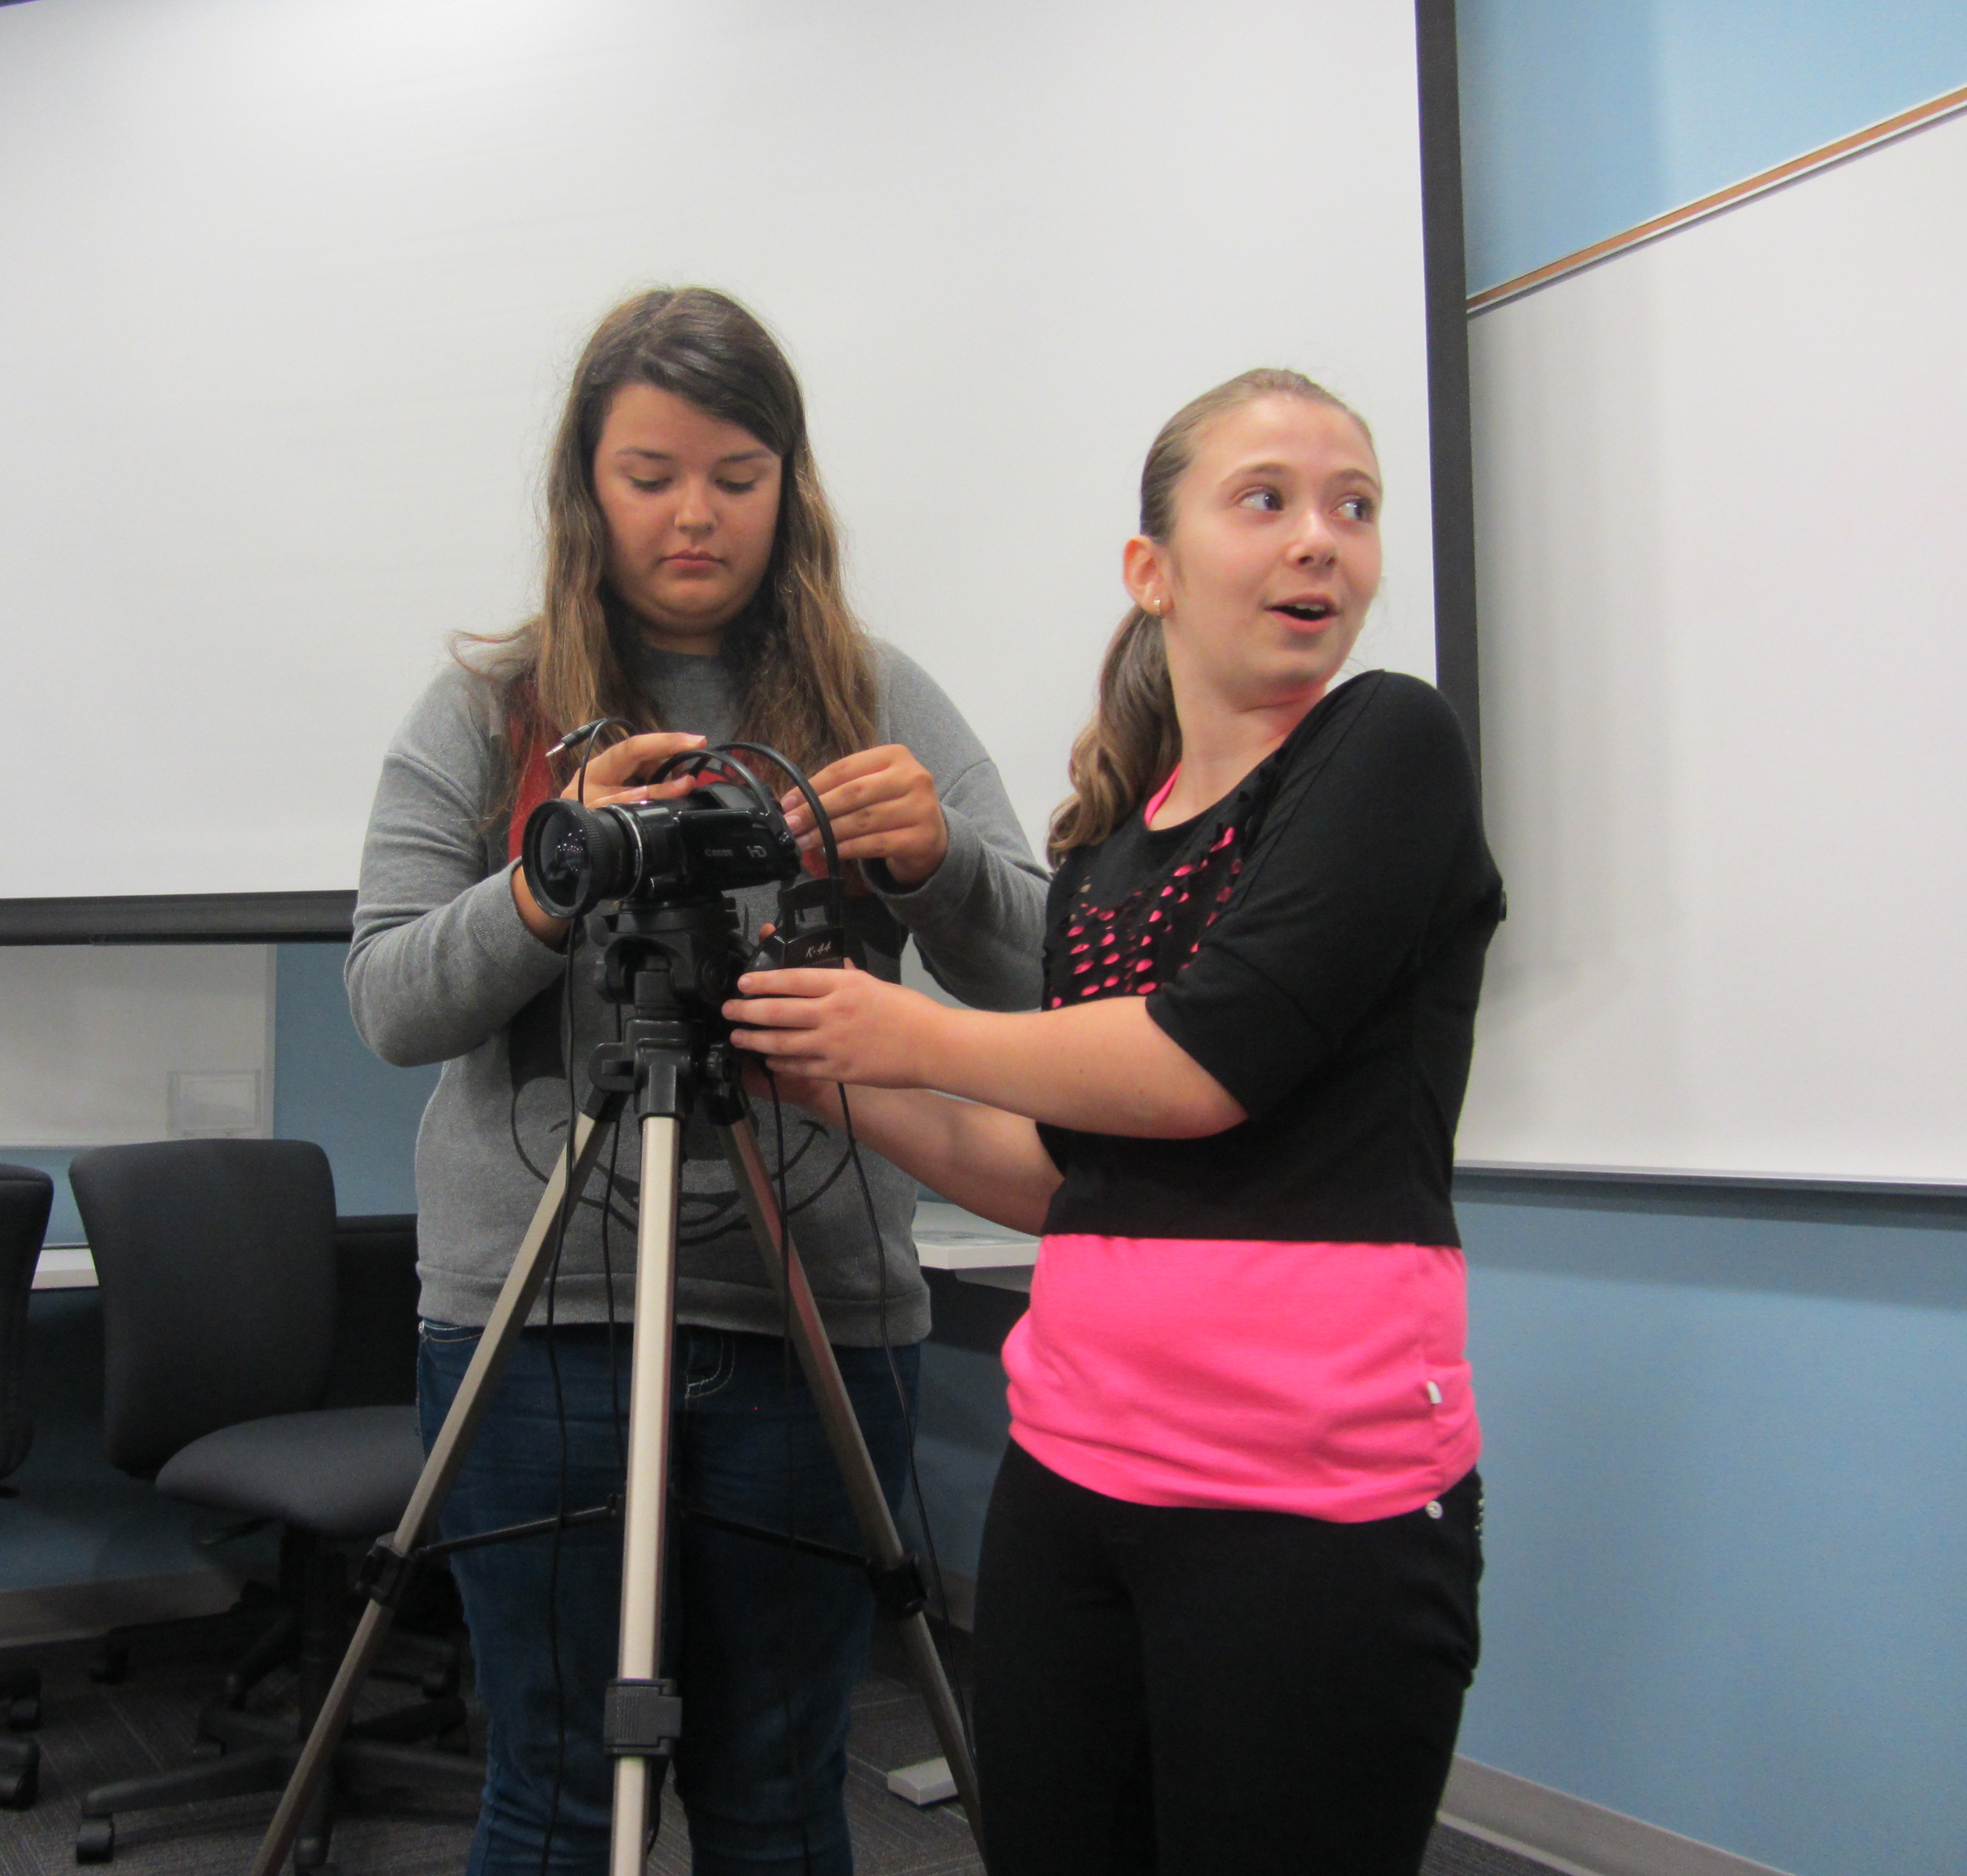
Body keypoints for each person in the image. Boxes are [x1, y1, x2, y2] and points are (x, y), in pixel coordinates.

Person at [725, 368, 1504, 1875]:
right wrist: (834, 1079)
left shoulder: (1386, 745)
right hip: (1072, 1478)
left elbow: (1204, 1062)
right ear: (1151, 571)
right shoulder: (1103, 853)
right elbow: (1058, 1181)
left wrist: (910, 1030)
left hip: (1308, 1503)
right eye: (1264, 499)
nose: (1319, 539)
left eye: (1352, 507)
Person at [346, 286, 1046, 1875]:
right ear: (584, 487)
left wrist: (936, 859)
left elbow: (1039, 970)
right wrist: (554, 874)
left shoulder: (874, 696)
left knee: (780, 1786)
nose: (693, 515)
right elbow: (388, 1000)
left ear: (789, 487)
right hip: (535, 1313)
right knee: (549, 1788)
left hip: (813, 1308)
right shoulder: (486, 709)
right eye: (649, 474)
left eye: (737, 476)